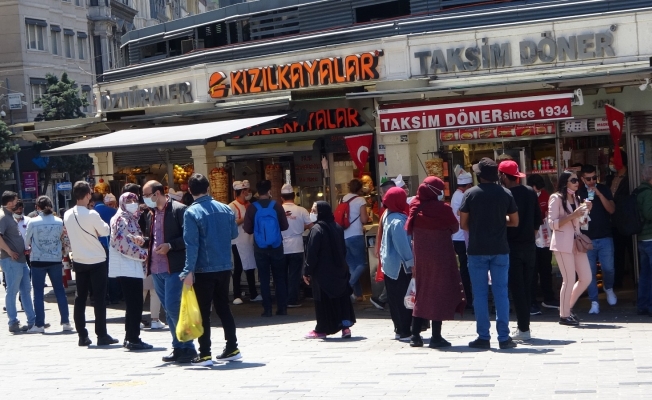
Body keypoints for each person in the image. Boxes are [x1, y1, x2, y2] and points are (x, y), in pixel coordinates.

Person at [181, 173, 241, 366]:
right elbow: (233, 234)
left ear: (190, 191)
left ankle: (205, 353)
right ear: (208, 188)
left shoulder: (191, 212)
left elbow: (191, 244)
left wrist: (187, 270)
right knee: (224, 307)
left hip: (203, 268)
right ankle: (232, 347)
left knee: (203, 311)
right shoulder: (225, 209)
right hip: (224, 265)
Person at [459, 158, 518, 350]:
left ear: (479, 175)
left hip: (477, 249)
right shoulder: (506, 193)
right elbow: (515, 221)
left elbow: (463, 224)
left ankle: (483, 337)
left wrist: (477, 227)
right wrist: (501, 222)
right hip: (500, 249)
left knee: (480, 294)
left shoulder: (470, 194)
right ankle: (503, 337)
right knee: (501, 293)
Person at [406, 177, 466, 348]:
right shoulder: (443, 209)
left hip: (421, 257)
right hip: (441, 255)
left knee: (422, 291)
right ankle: (436, 336)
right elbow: (455, 227)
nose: (441, 193)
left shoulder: (415, 207)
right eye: (439, 190)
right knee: (438, 292)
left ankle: (415, 335)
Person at [142, 180, 196, 363]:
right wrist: (142, 241)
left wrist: (171, 246)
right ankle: (178, 346)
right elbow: (153, 238)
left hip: (175, 268)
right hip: (157, 269)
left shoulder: (179, 210)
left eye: (147, 195)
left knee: (174, 308)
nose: (145, 199)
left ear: (157, 193)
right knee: (169, 309)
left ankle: (188, 347)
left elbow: (190, 237)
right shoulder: (150, 214)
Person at [63, 182, 118, 346]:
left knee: (80, 298)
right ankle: (101, 334)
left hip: (79, 259)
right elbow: (106, 231)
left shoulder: (67, 214)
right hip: (97, 259)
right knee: (99, 298)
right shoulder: (92, 214)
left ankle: (82, 335)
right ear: (87, 195)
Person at [499, 160, 541, 341]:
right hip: (529, 246)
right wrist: (529, 237)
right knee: (527, 287)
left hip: (511, 247)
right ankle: (525, 327)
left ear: (502, 176)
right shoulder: (531, 192)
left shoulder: (504, 194)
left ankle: (523, 329)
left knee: (517, 290)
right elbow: (538, 221)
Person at [303, 201, 356, 339]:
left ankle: (322, 329)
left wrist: (307, 271)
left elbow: (312, 254)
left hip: (323, 274)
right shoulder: (337, 227)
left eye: (314, 210)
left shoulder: (317, 230)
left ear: (321, 212)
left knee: (324, 303)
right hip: (339, 271)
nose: (312, 212)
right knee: (341, 300)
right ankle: (345, 327)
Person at [107, 192, 152, 350]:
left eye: (135, 200)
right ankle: (133, 338)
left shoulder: (129, 217)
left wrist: (139, 242)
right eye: (129, 200)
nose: (133, 203)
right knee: (135, 303)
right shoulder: (122, 218)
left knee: (135, 303)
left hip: (131, 265)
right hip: (128, 266)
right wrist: (144, 254)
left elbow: (130, 239)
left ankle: (131, 336)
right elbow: (122, 244)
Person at [548, 171, 592, 326]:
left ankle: (566, 308)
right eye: (573, 180)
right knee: (569, 279)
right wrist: (573, 215)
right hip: (562, 243)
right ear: (565, 182)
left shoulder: (577, 198)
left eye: (577, 180)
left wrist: (586, 212)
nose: (576, 182)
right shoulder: (556, 198)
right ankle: (564, 315)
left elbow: (581, 223)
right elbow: (552, 223)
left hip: (576, 242)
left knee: (586, 277)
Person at [24, 196, 73, 333]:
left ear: (37, 207)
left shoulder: (33, 222)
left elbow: (27, 242)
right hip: (55, 259)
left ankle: (39, 325)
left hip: (38, 260)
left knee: (38, 292)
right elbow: (63, 239)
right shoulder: (59, 221)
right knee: (60, 291)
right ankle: (66, 322)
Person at [243, 179, 289, 317]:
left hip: (260, 248)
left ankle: (267, 309)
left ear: (257, 191)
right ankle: (282, 308)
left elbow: (248, 229)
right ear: (269, 191)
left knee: (263, 278)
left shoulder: (252, 207)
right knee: (280, 278)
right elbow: (285, 226)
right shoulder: (277, 206)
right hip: (276, 246)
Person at [578, 164, 617, 314]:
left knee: (609, 268)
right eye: (588, 179)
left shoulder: (604, 189)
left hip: (605, 236)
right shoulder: (579, 192)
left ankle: (609, 288)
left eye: (594, 177)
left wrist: (599, 195)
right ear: (582, 179)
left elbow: (612, 210)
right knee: (589, 272)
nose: (592, 181)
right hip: (587, 239)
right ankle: (594, 301)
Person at [379, 187, 414, 342]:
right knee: (403, 300)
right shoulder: (399, 220)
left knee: (394, 299)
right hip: (401, 266)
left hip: (389, 265)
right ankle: (405, 330)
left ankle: (399, 329)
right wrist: (411, 263)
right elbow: (403, 246)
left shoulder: (387, 215)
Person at [0, 191, 35, 332]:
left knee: (26, 290)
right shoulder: (3, 217)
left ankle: (32, 321)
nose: (17, 203)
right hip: (11, 260)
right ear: (9, 203)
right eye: (15, 201)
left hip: (20, 259)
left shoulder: (9, 217)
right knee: (12, 291)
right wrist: (9, 251)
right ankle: (12, 322)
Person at [527, 174, 558, 315]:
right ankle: (531, 301)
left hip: (545, 237)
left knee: (546, 269)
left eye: (540, 190)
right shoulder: (526, 195)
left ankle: (549, 298)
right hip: (531, 239)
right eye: (536, 190)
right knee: (531, 272)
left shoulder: (546, 195)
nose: (538, 192)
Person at [281, 183, 312, 308]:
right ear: (294, 196)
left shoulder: (278, 210)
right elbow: (311, 226)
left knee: (281, 274)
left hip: (281, 245)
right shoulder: (301, 210)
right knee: (294, 274)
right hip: (297, 246)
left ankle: (282, 299)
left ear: (282, 197)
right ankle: (292, 300)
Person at [228, 180, 260, 305]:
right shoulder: (232, 206)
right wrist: (245, 218)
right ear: (241, 192)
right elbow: (231, 224)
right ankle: (236, 294)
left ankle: (253, 293)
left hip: (249, 240)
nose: (248, 192)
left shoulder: (250, 205)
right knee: (239, 267)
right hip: (238, 241)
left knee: (251, 266)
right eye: (246, 190)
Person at [607, 152, 632, 288]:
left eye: (613, 161)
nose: (612, 164)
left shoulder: (630, 176)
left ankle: (635, 281)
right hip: (614, 222)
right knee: (618, 253)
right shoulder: (610, 178)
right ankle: (618, 282)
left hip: (628, 220)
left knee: (632, 252)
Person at [342, 178, 369, 301]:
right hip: (356, 235)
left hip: (344, 235)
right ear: (360, 188)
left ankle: (358, 295)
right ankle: (347, 287)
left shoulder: (343, 199)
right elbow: (364, 219)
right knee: (362, 264)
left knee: (353, 266)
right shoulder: (360, 200)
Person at [451, 169, 474, 309]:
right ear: (467, 185)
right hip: (461, 237)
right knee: (465, 268)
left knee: (465, 268)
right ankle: (467, 298)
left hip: (458, 236)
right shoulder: (462, 196)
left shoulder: (457, 195)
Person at [93, 192, 120, 304]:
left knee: (99, 274)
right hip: (113, 245)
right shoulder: (114, 211)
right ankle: (115, 296)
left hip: (97, 246)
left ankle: (103, 297)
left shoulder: (92, 213)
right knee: (112, 271)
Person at [636, 164, 652, 316]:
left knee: (646, 274)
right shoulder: (648, 193)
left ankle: (642, 304)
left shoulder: (639, 191)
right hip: (650, 238)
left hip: (643, 239)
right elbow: (649, 213)